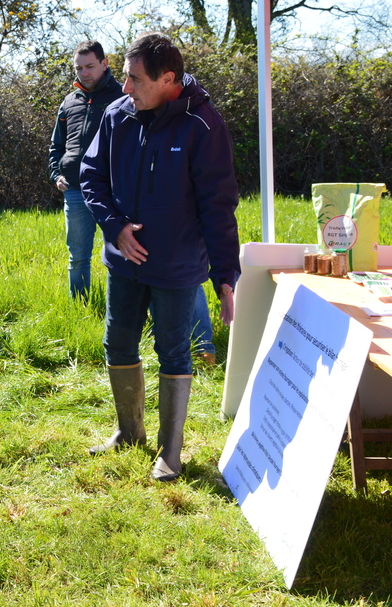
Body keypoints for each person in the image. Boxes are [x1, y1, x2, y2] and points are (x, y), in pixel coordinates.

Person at [79, 32, 240, 482]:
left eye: (135, 79)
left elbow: (218, 205)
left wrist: (225, 275)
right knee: (118, 342)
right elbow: (91, 177)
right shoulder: (117, 115)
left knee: (173, 351)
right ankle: (129, 433)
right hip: (123, 261)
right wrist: (115, 227)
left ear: (168, 79)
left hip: (176, 266)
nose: (125, 88)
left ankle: (170, 452)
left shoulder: (204, 126)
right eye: (125, 78)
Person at [48, 41, 124, 300]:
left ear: (105, 64)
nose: (84, 73)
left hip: (113, 192)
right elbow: (56, 145)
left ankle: (122, 309)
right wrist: (56, 173)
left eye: (90, 66)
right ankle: (80, 307)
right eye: (79, 68)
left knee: (120, 253)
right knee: (78, 255)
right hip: (75, 191)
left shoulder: (123, 97)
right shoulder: (69, 102)